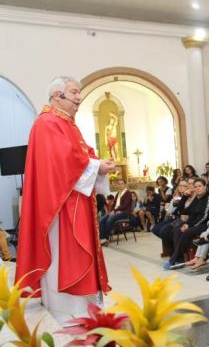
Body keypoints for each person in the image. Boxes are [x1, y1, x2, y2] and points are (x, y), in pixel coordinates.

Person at [16, 76, 113, 324]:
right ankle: (68, 311)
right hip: (60, 205)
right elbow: (64, 162)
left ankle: (84, 308)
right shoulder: (48, 122)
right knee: (65, 256)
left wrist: (99, 164)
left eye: (79, 92)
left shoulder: (67, 123)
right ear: (57, 96)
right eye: (74, 92)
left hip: (76, 200)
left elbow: (82, 155)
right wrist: (96, 166)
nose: (79, 97)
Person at [164, 178, 209, 270]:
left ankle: (173, 259)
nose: (198, 188)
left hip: (206, 224)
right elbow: (183, 211)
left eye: (200, 186)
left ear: (205, 187)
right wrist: (184, 196)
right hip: (195, 223)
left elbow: (205, 216)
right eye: (196, 187)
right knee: (178, 230)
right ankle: (179, 259)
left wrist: (189, 225)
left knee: (187, 232)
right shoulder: (197, 198)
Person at [99, 179, 133, 244]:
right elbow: (114, 204)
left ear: (125, 185)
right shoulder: (118, 193)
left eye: (122, 184)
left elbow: (125, 205)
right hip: (116, 212)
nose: (120, 185)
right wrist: (112, 211)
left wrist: (116, 210)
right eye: (119, 184)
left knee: (109, 219)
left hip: (124, 213)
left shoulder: (128, 193)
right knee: (102, 219)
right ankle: (102, 238)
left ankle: (106, 237)